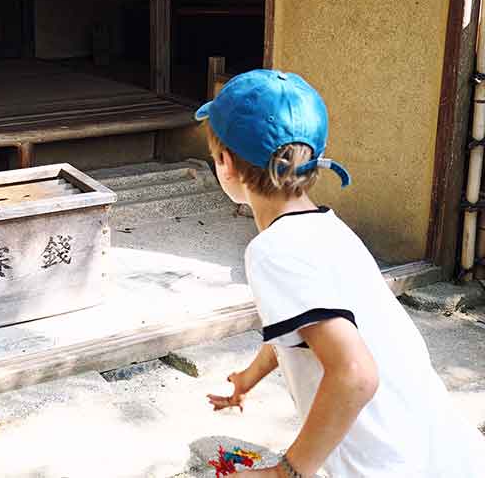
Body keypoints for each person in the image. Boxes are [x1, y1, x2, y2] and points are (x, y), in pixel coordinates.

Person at [198, 69, 485, 477]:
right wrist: (249, 376)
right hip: (440, 448)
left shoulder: (272, 251)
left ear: (225, 163)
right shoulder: (326, 228)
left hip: (386, 464)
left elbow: (355, 373)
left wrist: (286, 472)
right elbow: (303, 327)